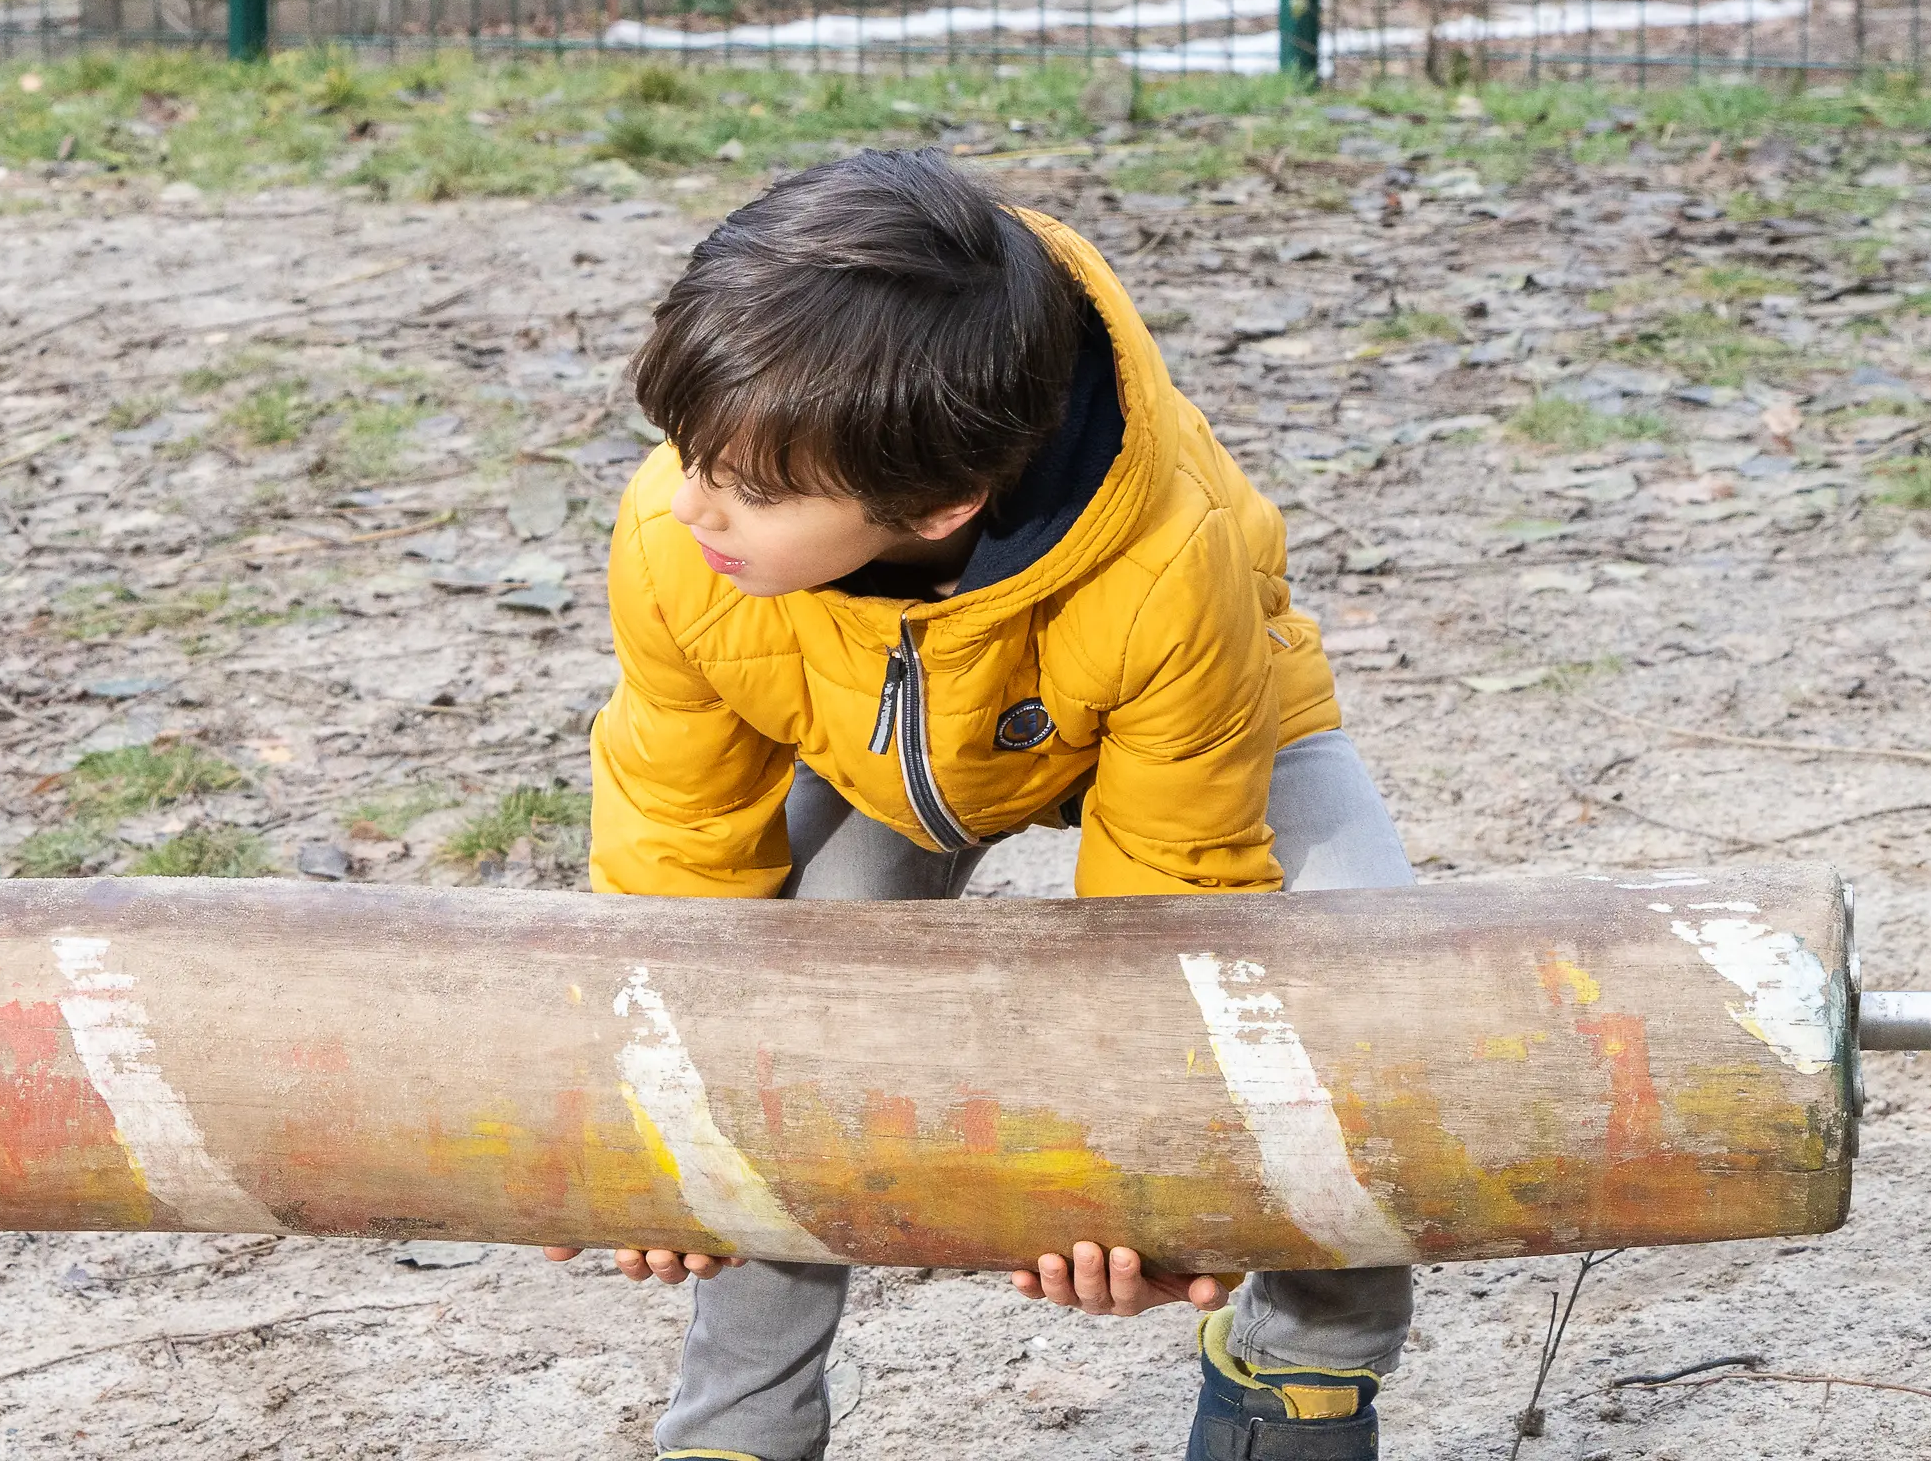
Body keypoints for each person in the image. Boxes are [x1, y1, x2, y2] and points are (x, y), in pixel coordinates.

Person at [555, 148, 1413, 1461]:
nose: (689, 502)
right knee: (792, 1004)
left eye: (750, 485)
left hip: (1198, 729)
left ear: (942, 503)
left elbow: (1171, 898)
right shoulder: (684, 545)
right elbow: (676, 845)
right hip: (879, 744)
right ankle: (736, 1428)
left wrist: (1140, 1183)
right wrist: (661, 1125)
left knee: (1368, 985)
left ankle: (1299, 1358)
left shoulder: (1168, 566)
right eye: (683, 448)